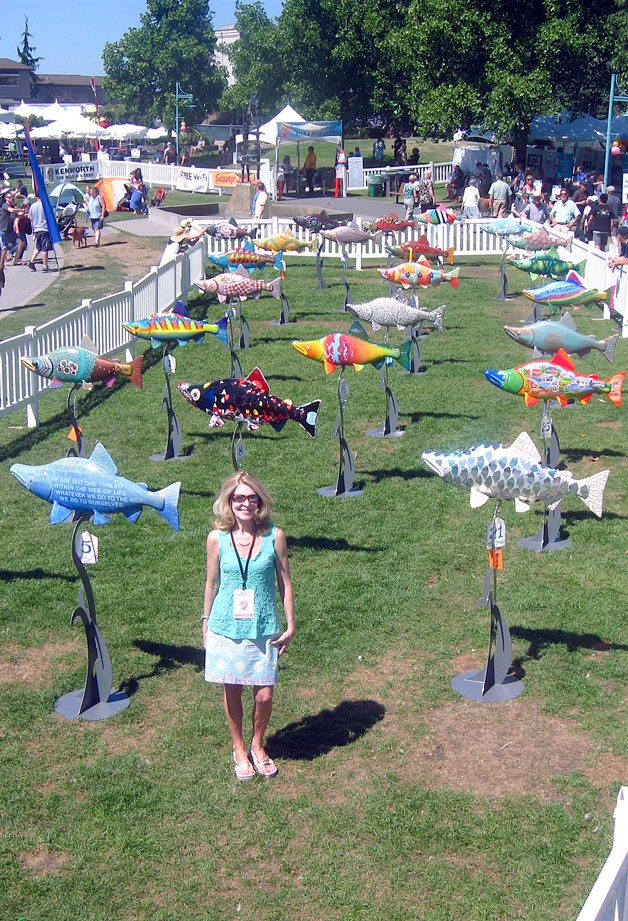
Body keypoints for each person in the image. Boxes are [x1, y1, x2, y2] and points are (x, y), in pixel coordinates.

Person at [202, 471, 295, 781]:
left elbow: (285, 582)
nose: (244, 503)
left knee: (264, 694)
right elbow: (211, 583)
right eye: (238, 498)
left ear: (259, 501)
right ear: (229, 501)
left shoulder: (274, 536)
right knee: (233, 689)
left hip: (265, 625)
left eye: (250, 497)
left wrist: (291, 623)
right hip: (226, 626)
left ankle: (258, 744)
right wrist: (205, 624)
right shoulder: (216, 538)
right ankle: (239, 747)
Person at [26, 191, 52, 272]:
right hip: (44, 228)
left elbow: (31, 219)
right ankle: (45, 266)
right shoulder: (44, 206)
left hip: (36, 229)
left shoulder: (32, 206)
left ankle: (31, 261)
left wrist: (33, 229)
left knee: (38, 247)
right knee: (45, 248)